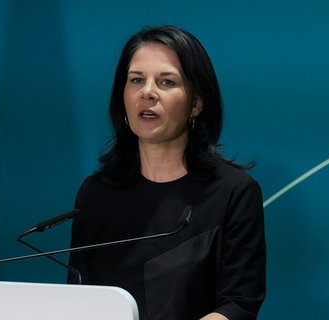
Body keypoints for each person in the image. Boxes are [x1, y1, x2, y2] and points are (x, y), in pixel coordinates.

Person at [67, 25, 266, 320]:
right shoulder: (95, 193)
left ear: (195, 103)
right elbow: (80, 297)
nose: (147, 92)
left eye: (166, 82)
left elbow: (239, 303)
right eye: (136, 80)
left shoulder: (234, 193)